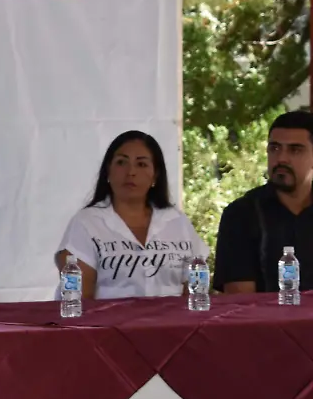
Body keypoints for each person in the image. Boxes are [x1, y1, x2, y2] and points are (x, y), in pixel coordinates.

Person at [55, 130, 208, 298]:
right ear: (108, 170)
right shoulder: (87, 223)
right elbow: (78, 299)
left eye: (141, 164)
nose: (131, 172)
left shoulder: (177, 222)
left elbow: (197, 289)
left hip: (171, 322)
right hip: (109, 322)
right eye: (121, 162)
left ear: (155, 175)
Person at [214, 110, 313, 293]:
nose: (281, 158)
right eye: (274, 148)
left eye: (295, 150)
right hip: (265, 321)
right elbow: (239, 302)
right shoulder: (241, 214)